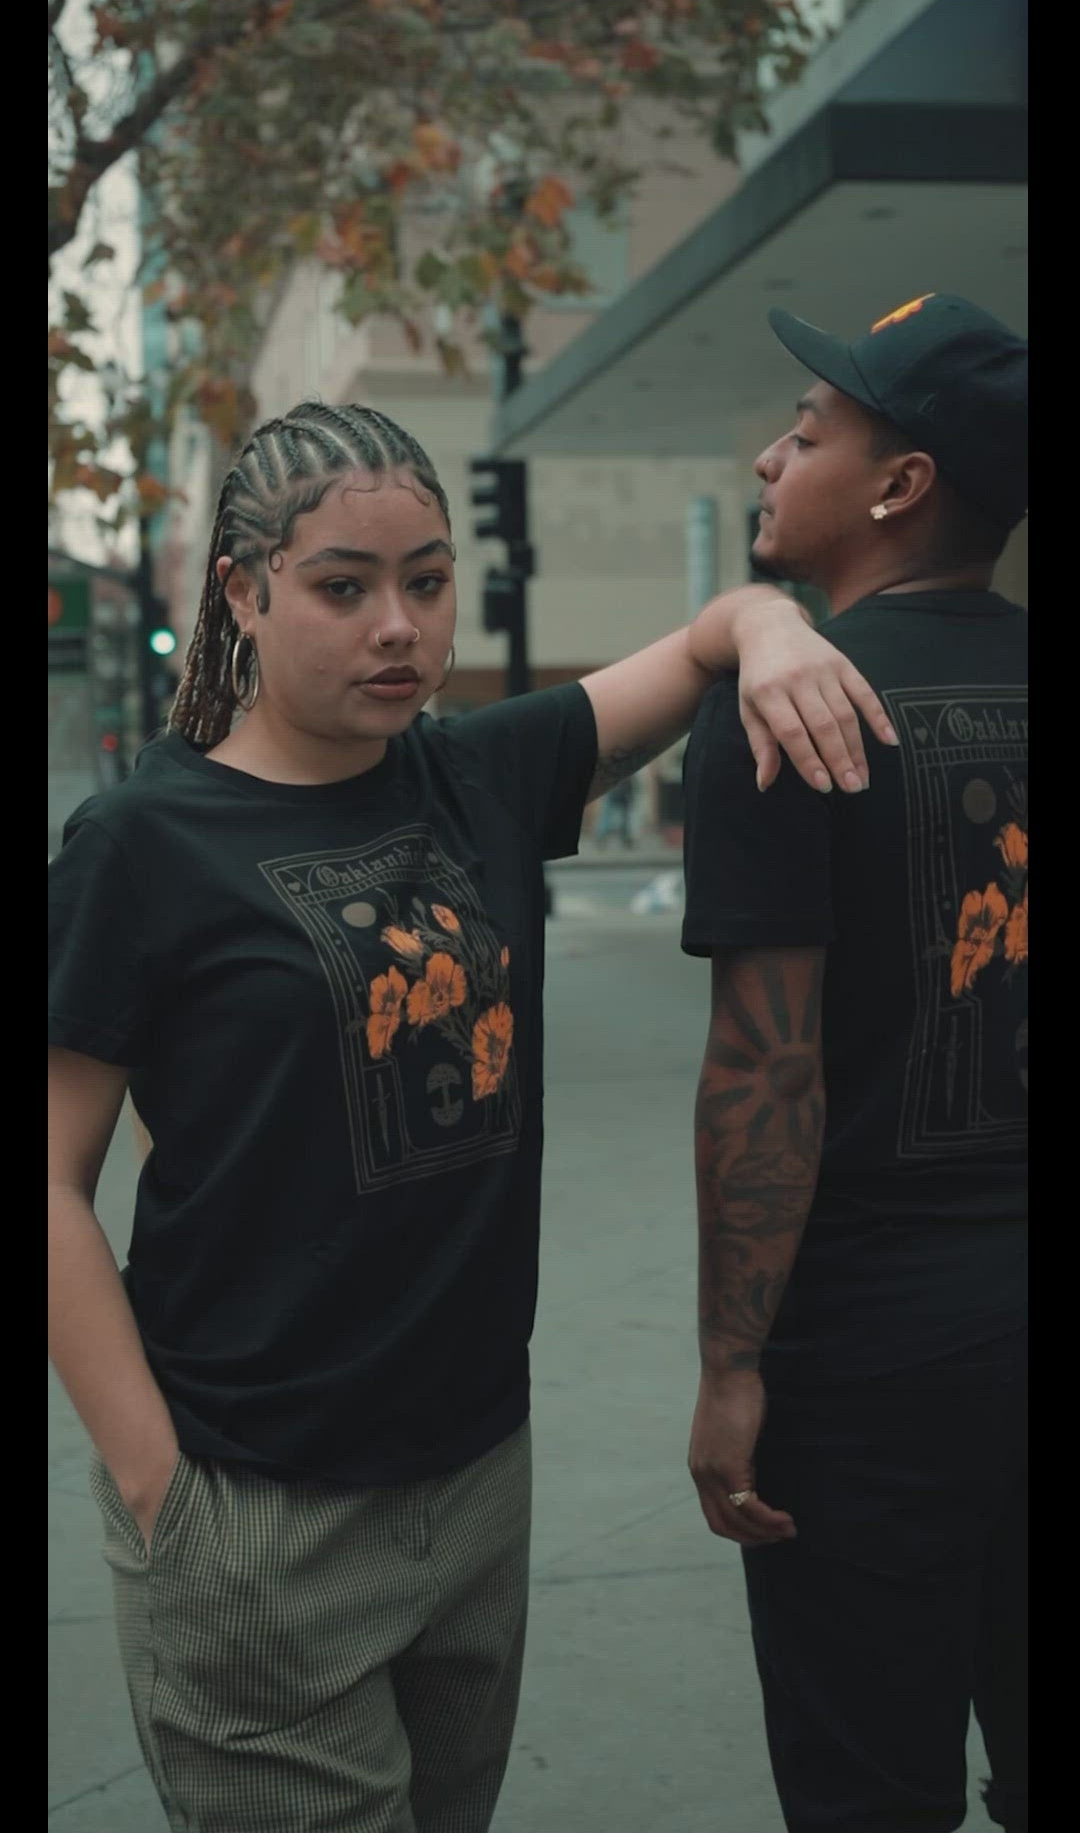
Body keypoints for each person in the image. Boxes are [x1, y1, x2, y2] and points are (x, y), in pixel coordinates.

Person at [47, 399, 896, 1833]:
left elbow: (704, 640)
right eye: (343, 587)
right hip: (257, 1507)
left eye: (427, 582)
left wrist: (770, 628)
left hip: (477, 1481)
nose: (398, 627)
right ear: (245, 594)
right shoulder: (142, 843)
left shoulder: (483, 773)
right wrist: (160, 1492)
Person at [680, 295, 1027, 1833]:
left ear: (901, 485)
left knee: (868, 1795)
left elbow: (767, 1076)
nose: (769, 453)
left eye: (808, 431)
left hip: (875, 1365)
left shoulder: (785, 711)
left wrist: (731, 1367)